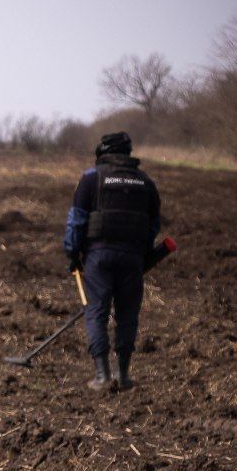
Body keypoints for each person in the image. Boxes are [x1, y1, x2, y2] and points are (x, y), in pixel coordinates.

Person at [62, 131, 162, 391]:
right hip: (132, 259)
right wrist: (143, 255)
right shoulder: (146, 182)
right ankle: (124, 375)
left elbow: (77, 219)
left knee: (96, 312)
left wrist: (73, 254)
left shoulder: (90, 178)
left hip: (98, 257)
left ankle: (102, 376)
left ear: (102, 152)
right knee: (128, 314)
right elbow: (153, 225)